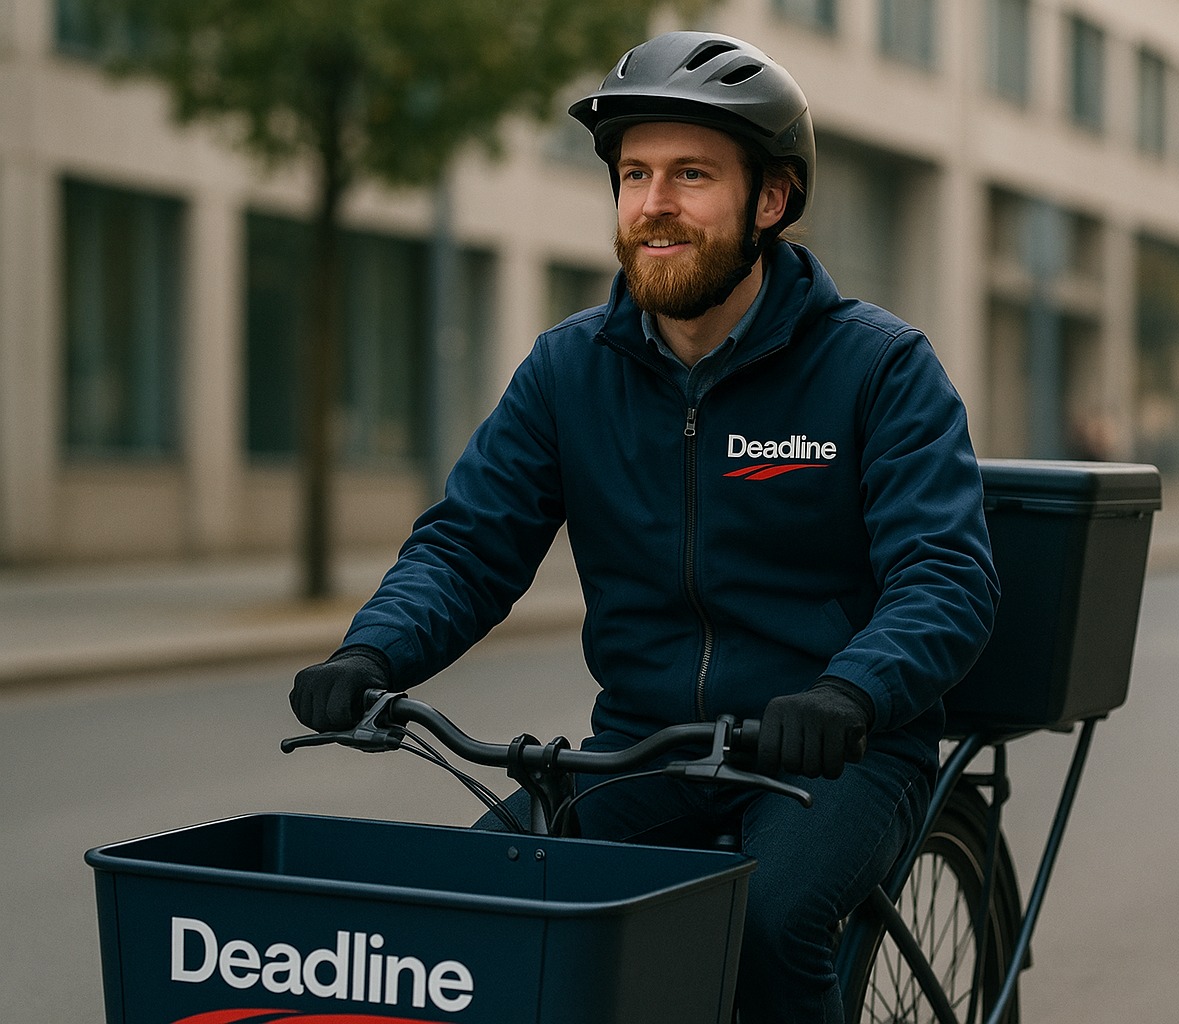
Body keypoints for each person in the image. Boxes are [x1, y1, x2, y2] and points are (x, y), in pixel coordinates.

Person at [289, 30, 998, 1023]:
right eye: (634, 175)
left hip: (837, 750)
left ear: (771, 199)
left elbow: (945, 575)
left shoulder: (878, 368)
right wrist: (371, 652)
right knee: (483, 908)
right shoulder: (567, 370)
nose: (654, 202)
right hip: (648, 746)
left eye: (691, 174)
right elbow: (469, 545)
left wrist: (848, 693)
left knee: (767, 924)